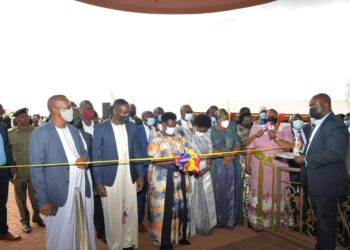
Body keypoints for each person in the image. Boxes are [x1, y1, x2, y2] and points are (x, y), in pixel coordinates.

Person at [30, 95, 95, 249]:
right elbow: (36, 170)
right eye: (67, 108)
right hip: (58, 193)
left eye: (71, 108)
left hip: (80, 190)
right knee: (60, 236)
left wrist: (84, 159)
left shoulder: (74, 130)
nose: (71, 111)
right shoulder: (40, 133)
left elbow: (85, 152)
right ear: (54, 110)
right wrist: (43, 199)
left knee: (82, 228)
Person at [294, 93, 349, 250]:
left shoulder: (335, 125)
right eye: (310, 106)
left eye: (313, 106)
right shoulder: (318, 124)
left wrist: (306, 160)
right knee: (322, 222)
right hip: (317, 183)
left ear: (325, 105)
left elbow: (336, 153)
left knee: (326, 223)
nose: (311, 109)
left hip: (327, 183)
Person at [92, 98, 144, 250]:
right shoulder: (101, 128)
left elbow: (137, 151)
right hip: (109, 177)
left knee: (130, 210)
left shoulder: (132, 127)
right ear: (114, 111)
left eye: (128, 113)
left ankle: (128, 242)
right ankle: (115, 245)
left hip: (130, 174)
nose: (126, 115)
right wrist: (99, 183)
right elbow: (96, 156)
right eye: (123, 113)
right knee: (112, 213)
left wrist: (140, 175)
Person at [147, 112, 190, 250]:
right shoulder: (156, 137)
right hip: (162, 181)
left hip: (180, 177)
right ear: (164, 124)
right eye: (169, 125)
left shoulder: (180, 136)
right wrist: (174, 160)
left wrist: (186, 160)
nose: (172, 127)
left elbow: (187, 152)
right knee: (164, 211)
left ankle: (177, 236)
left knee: (179, 208)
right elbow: (154, 159)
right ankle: (164, 242)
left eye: (174, 124)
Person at [246, 108, 293, 232]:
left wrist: (276, 138)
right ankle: (258, 222)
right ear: (264, 117)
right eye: (269, 115)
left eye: (274, 114)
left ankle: (277, 222)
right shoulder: (256, 128)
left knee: (278, 192)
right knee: (259, 192)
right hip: (258, 167)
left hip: (278, 168)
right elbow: (248, 148)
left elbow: (289, 148)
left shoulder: (285, 129)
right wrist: (247, 165)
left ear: (278, 117)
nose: (271, 116)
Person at [9, 108, 44, 233]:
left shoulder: (36, 131)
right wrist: (11, 170)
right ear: (16, 119)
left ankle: (36, 216)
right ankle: (25, 221)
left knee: (36, 197)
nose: (25, 118)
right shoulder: (10, 134)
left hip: (34, 171)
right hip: (18, 172)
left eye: (26, 115)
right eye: (22, 116)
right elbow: (8, 153)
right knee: (20, 198)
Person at [183, 114, 217, 236]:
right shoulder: (189, 136)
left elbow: (210, 154)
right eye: (201, 128)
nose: (203, 130)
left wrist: (207, 167)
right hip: (192, 170)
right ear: (196, 126)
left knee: (207, 197)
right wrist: (194, 170)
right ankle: (193, 226)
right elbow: (185, 154)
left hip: (205, 169)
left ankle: (206, 224)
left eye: (206, 128)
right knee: (193, 198)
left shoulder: (208, 136)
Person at [79, 100, 106, 243]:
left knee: (99, 202)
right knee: (87, 202)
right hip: (85, 170)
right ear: (81, 111)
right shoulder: (75, 128)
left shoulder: (99, 126)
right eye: (87, 109)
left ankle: (101, 230)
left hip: (99, 168)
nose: (90, 111)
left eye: (91, 108)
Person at [210, 108, 241, 228]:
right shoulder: (211, 130)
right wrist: (224, 156)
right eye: (223, 118)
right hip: (218, 163)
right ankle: (219, 220)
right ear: (218, 118)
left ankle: (230, 219)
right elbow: (210, 146)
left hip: (232, 162)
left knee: (231, 190)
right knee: (219, 190)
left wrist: (232, 155)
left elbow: (238, 143)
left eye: (227, 118)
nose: (225, 121)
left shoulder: (231, 129)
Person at [236, 110, 264, 220]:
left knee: (253, 184)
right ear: (241, 121)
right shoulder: (239, 128)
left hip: (254, 158)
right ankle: (244, 211)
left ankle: (253, 209)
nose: (248, 121)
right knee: (245, 184)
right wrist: (255, 136)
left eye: (250, 119)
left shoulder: (255, 128)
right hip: (243, 159)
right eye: (246, 120)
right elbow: (243, 143)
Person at [0, 115, 20, 241]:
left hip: (3, 169)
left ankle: (2, 231)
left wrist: (12, 166)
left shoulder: (2, 127)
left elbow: (8, 148)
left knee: (2, 203)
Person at [136, 110, 156, 233]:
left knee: (154, 194)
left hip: (156, 167)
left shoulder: (157, 129)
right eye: (149, 118)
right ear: (143, 119)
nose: (151, 119)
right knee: (141, 196)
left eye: (152, 117)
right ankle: (139, 221)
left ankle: (152, 217)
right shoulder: (137, 130)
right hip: (143, 168)